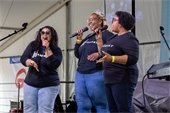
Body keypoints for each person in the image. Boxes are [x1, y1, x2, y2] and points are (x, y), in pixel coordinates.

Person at [97, 11, 139, 113]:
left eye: (114, 20)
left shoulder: (129, 38)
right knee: (113, 110)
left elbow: (132, 58)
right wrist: (99, 42)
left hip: (122, 79)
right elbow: (104, 54)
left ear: (121, 23)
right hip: (109, 79)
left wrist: (112, 59)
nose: (112, 22)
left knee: (123, 109)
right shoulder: (113, 37)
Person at [74, 11, 114, 113]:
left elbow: (112, 50)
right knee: (82, 104)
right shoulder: (88, 37)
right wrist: (79, 40)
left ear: (100, 21)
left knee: (101, 104)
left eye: (92, 19)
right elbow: (78, 54)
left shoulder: (107, 34)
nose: (89, 22)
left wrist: (99, 54)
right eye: (89, 20)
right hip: (80, 74)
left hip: (96, 72)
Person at [20, 26, 63, 113]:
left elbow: (54, 65)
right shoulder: (33, 45)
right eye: (42, 32)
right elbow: (23, 58)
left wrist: (47, 48)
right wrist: (29, 61)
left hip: (49, 85)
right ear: (40, 35)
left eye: (47, 33)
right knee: (29, 110)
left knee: (45, 111)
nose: (45, 35)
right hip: (31, 84)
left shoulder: (56, 50)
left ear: (52, 36)